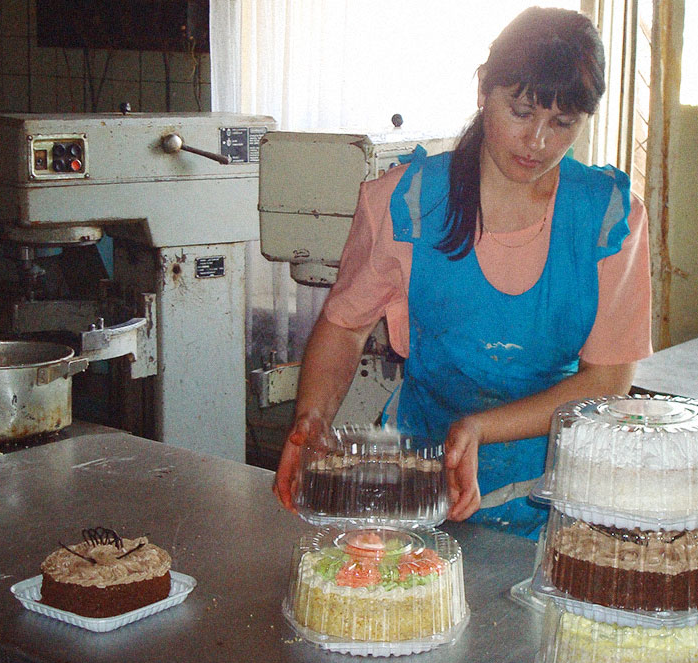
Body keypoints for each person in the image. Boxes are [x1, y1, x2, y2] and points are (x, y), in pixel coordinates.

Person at [273, 6, 652, 540]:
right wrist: (312, 417)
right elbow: (345, 325)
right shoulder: (407, 202)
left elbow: (607, 381)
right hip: (420, 484)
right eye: (521, 112)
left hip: (560, 499)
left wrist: (481, 428)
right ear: (483, 91)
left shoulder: (609, 218)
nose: (538, 142)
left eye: (563, 123)